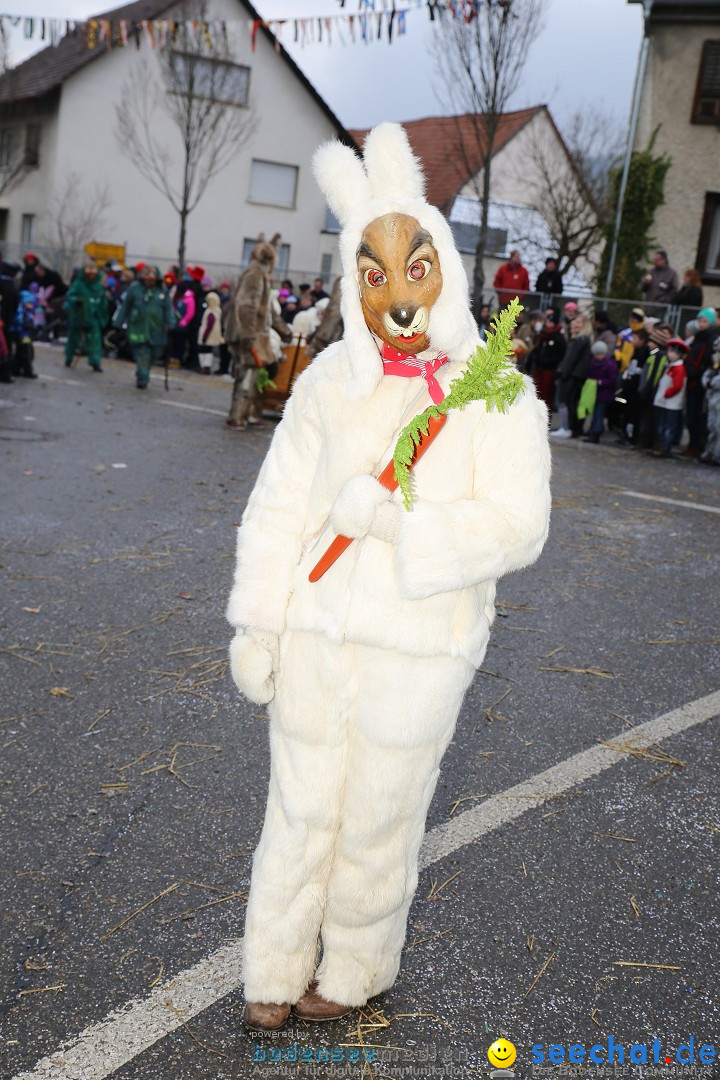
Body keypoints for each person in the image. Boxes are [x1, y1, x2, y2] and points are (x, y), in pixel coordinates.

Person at [227, 123, 551, 1032]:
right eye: (373, 275)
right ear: (349, 283)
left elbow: (519, 525)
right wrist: (258, 620)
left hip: (419, 644)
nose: (398, 295)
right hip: (315, 631)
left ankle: (356, 968)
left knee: (379, 819)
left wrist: (401, 523)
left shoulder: (498, 395)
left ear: (445, 267)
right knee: (296, 810)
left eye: (415, 267)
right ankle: (274, 965)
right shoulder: (331, 381)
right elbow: (279, 504)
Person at [227, 233, 292, 429]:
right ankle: (237, 415)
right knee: (246, 375)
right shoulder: (255, 275)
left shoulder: (260, 276)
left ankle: (247, 414)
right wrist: (247, 335)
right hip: (249, 335)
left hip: (255, 336)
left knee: (253, 376)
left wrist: (283, 331)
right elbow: (247, 307)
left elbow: (268, 310)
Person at [112, 265, 175, 388]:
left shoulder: (162, 291)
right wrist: (118, 323)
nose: (148, 281)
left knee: (155, 353)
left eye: (151, 279)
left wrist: (171, 323)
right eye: (146, 278)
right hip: (138, 327)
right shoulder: (134, 289)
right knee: (142, 353)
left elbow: (168, 309)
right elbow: (125, 307)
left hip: (156, 329)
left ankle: (143, 370)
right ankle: (143, 377)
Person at [683, 307, 716, 458]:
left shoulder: (710, 340)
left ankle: (697, 445)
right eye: (700, 320)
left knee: (696, 415)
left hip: (699, 382)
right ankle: (693, 444)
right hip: (692, 380)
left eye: (704, 321)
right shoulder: (698, 338)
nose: (701, 324)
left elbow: (707, 361)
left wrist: (698, 373)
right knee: (691, 415)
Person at [552, 313, 592, 438]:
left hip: (571, 375)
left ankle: (566, 427)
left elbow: (571, 359)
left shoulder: (581, 340)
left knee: (564, 402)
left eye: (579, 323)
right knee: (567, 402)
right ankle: (567, 427)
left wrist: (563, 372)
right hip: (573, 374)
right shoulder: (579, 339)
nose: (575, 325)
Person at [64, 262, 108, 372]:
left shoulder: (99, 285)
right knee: (73, 339)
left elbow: (103, 301)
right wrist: (76, 301)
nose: (92, 275)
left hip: (93, 317)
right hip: (79, 315)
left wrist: (103, 315)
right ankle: (69, 358)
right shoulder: (79, 283)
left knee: (95, 341)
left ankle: (95, 362)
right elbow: (70, 295)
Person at [638, 323, 672, 451]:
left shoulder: (659, 356)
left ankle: (646, 443)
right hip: (650, 393)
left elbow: (653, 377)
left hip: (651, 394)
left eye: (651, 342)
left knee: (650, 420)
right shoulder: (654, 355)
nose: (649, 344)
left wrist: (647, 391)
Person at [527, 307, 565, 412]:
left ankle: (545, 415)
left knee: (547, 394)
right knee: (537, 391)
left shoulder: (558, 337)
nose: (549, 324)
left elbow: (560, 354)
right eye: (548, 321)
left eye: (551, 322)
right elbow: (537, 348)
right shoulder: (542, 335)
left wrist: (548, 361)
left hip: (549, 370)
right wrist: (536, 357)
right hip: (539, 368)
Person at [654, 339, 687, 457]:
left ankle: (666, 447)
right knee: (662, 425)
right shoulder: (670, 366)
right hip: (664, 402)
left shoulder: (679, 368)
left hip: (671, 403)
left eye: (672, 351)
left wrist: (667, 394)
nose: (669, 353)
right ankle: (661, 445)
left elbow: (677, 385)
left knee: (668, 426)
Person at [582, 341, 618, 443]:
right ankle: (593, 431)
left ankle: (596, 433)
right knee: (595, 414)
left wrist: (599, 383)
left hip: (604, 394)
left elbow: (612, 380)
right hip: (594, 393)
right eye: (596, 354)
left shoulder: (610, 365)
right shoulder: (593, 363)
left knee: (599, 414)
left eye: (600, 354)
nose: (598, 356)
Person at [198, 290, 224, 373]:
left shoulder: (211, 312)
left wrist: (205, 336)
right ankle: (206, 366)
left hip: (208, 336)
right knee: (208, 351)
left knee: (205, 351)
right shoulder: (217, 310)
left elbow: (209, 325)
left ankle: (205, 366)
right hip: (212, 336)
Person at [614, 307, 646, 373]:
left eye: (635, 318)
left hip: (636, 364)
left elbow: (651, 350)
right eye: (632, 317)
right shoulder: (624, 331)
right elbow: (618, 345)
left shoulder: (643, 332)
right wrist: (618, 357)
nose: (632, 319)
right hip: (620, 363)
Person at [701, 354, 720, 466]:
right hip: (713, 399)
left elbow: (714, 383)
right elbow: (707, 379)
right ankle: (709, 452)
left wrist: (710, 382)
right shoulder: (714, 368)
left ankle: (717, 455)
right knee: (712, 426)